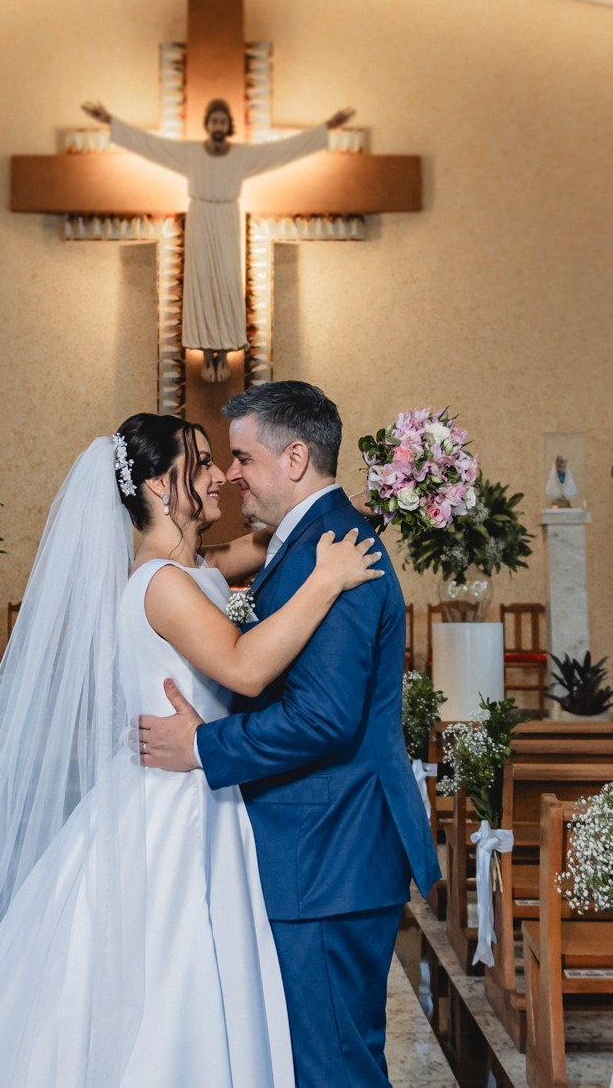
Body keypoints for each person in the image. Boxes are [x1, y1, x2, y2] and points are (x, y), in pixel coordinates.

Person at [0, 413, 382, 1088]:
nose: (221, 474)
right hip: (171, 811)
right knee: (167, 982)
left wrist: (363, 507)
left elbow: (267, 540)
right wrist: (326, 580)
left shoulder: (195, 568)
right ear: (161, 485)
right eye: (202, 462)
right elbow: (247, 668)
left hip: (196, 786)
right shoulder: (161, 584)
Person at [140, 380, 444, 1088]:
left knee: (334, 1066)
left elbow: (323, 718)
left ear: (297, 457)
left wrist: (203, 748)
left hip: (327, 852)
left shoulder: (330, 548)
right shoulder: (312, 539)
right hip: (322, 848)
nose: (233, 471)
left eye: (243, 454)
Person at [81, 99, 353, 379]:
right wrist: (109, 120)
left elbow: (280, 151)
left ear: (228, 126)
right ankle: (207, 355)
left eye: (223, 122)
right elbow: (152, 145)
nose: (218, 126)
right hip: (201, 215)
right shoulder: (190, 154)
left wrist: (326, 128)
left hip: (226, 218)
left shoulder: (241, 157)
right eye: (214, 121)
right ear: (208, 124)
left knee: (226, 280)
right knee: (201, 280)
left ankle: (223, 352)